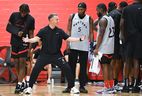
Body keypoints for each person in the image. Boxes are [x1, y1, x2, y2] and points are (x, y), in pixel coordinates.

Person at [22, 13, 86, 94]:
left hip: (57, 55)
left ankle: (72, 87)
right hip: (44, 55)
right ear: (51, 20)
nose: (58, 21)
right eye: (57, 19)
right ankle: (29, 88)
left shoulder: (60, 31)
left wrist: (79, 39)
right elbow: (36, 38)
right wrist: (28, 40)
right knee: (35, 69)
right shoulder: (43, 30)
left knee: (67, 68)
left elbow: (68, 38)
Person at [6, 3, 35, 94]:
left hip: (24, 42)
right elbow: (8, 27)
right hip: (14, 41)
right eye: (22, 12)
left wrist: (30, 48)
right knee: (16, 63)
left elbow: (31, 34)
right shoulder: (14, 15)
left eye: (25, 13)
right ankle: (22, 82)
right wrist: (17, 32)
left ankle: (18, 84)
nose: (23, 14)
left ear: (28, 12)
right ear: (19, 11)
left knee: (22, 62)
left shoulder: (31, 19)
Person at [66, 2, 94, 93]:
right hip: (73, 44)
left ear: (85, 9)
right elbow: (68, 30)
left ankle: (82, 86)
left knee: (83, 67)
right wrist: (67, 43)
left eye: (81, 9)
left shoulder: (89, 18)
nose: (79, 10)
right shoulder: (72, 16)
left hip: (84, 46)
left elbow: (91, 32)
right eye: (78, 9)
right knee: (71, 66)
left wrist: (91, 44)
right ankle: (70, 86)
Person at [120, 0, 142, 93]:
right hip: (139, 38)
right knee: (136, 61)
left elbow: (121, 23)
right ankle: (135, 85)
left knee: (127, 61)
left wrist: (123, 36)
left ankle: (125, 85)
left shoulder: (126, 9)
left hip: (128, 38)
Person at [94, 3, 115, 94]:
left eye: (97, 10)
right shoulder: (110, 18)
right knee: (109, 66)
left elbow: (101, 35)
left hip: (104, 47)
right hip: (111, 47)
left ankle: (106, 87)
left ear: (101, 10)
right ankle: (111, 86)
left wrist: (96, 48)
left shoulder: (103, 20)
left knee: (105, 67)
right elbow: (95, 27)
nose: (96, 12)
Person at [108, 1, 128, 87]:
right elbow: (119, 28)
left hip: (110, 40)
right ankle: (114, 80)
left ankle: (112, 80)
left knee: (112, 60)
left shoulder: (110, 14)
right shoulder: (119, 15)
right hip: (116, 40)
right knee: (117, 60)